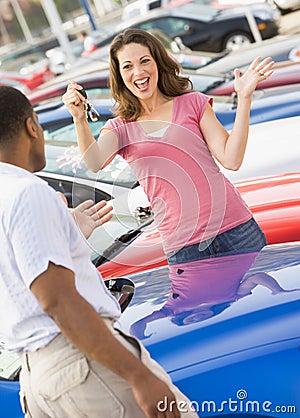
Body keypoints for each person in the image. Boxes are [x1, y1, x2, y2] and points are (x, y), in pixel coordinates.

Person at [0, 85, 199, 418]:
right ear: (32, 126)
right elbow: (57, 301)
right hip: (82, 364)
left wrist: (67, 231)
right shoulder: (27, 192)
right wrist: (138, 376)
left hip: (36, 379)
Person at [62, 28, 274, 266]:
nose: (139, 72)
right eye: (128, 66)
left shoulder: (192, 103)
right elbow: (94, 162)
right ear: (120, 75)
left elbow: (231, 159)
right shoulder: (121, 128)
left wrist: (244, 97)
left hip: (236, 229)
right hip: (185, 247)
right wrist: (79, 119)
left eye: (145, 61)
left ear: (158, 63)